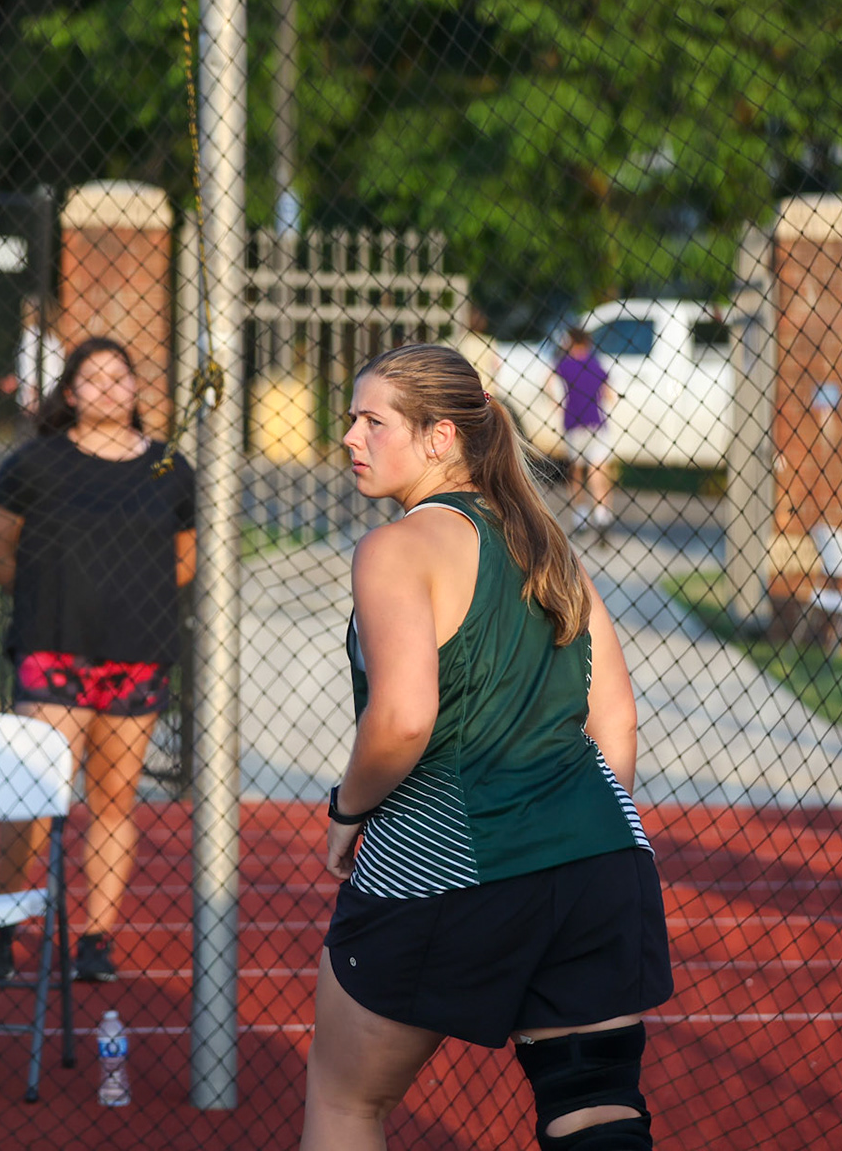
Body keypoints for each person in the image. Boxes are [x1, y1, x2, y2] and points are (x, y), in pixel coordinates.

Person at [301, 343, 671, 1151]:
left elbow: (402, 719)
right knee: (594, 1105)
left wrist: (346, 809)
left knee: (345, 1101)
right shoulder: (548, 544)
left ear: (441, 437)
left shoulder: (396, 548)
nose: (351, 438)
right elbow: (617, 724)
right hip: (602, 856)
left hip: (450, 864)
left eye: (373, 421)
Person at [0, 337, 196, 983]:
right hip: (53, 651)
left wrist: (130, 600)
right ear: (68, 394)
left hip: (136, 654)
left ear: (136, 391)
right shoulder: (34, 465)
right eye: (91, 379)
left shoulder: (168, 469)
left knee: (113, 802)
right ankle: (4, 925)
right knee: (37, 796)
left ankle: (96, 940)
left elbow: (185, 558)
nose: (106, 388)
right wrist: (53, 596)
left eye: (118, 378)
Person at [555, 326, 616, 534]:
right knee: (598, 468)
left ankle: (580, 516)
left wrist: (558, 405)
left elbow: (548, 383)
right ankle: (602, 513)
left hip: (573, 424)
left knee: (577, 470)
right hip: (596, 424)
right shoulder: (595, 364)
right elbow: (609, 395)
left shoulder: (564, 365)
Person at [0, 300, 68, 425]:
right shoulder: (54, 337)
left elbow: (29, 369)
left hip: (34, 400)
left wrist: (30, 393)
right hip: (53, 396)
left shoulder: (30, 335)